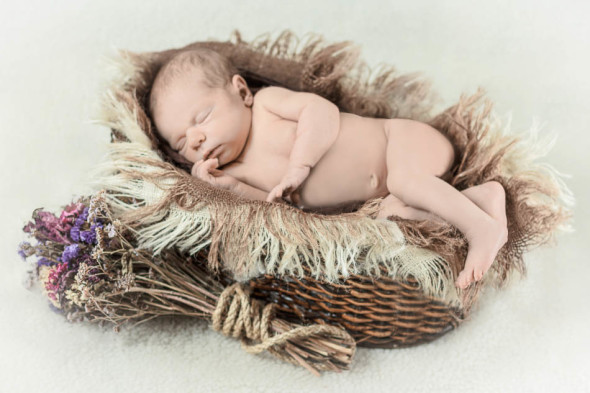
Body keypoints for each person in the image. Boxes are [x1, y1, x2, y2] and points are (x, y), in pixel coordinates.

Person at [148, 48, 508, 290]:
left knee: (405, 178)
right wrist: (225, 189)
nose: (195, 139)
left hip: (401, 141)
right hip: (388, 193)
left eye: (202, 117)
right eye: (180, 142)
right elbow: (279, 210)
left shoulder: (267, 105)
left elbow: (322, 113)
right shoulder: (236, 172)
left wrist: (299, 165)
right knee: (392, 218)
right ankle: (480, 200)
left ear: (241, 92)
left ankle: (482, 230)